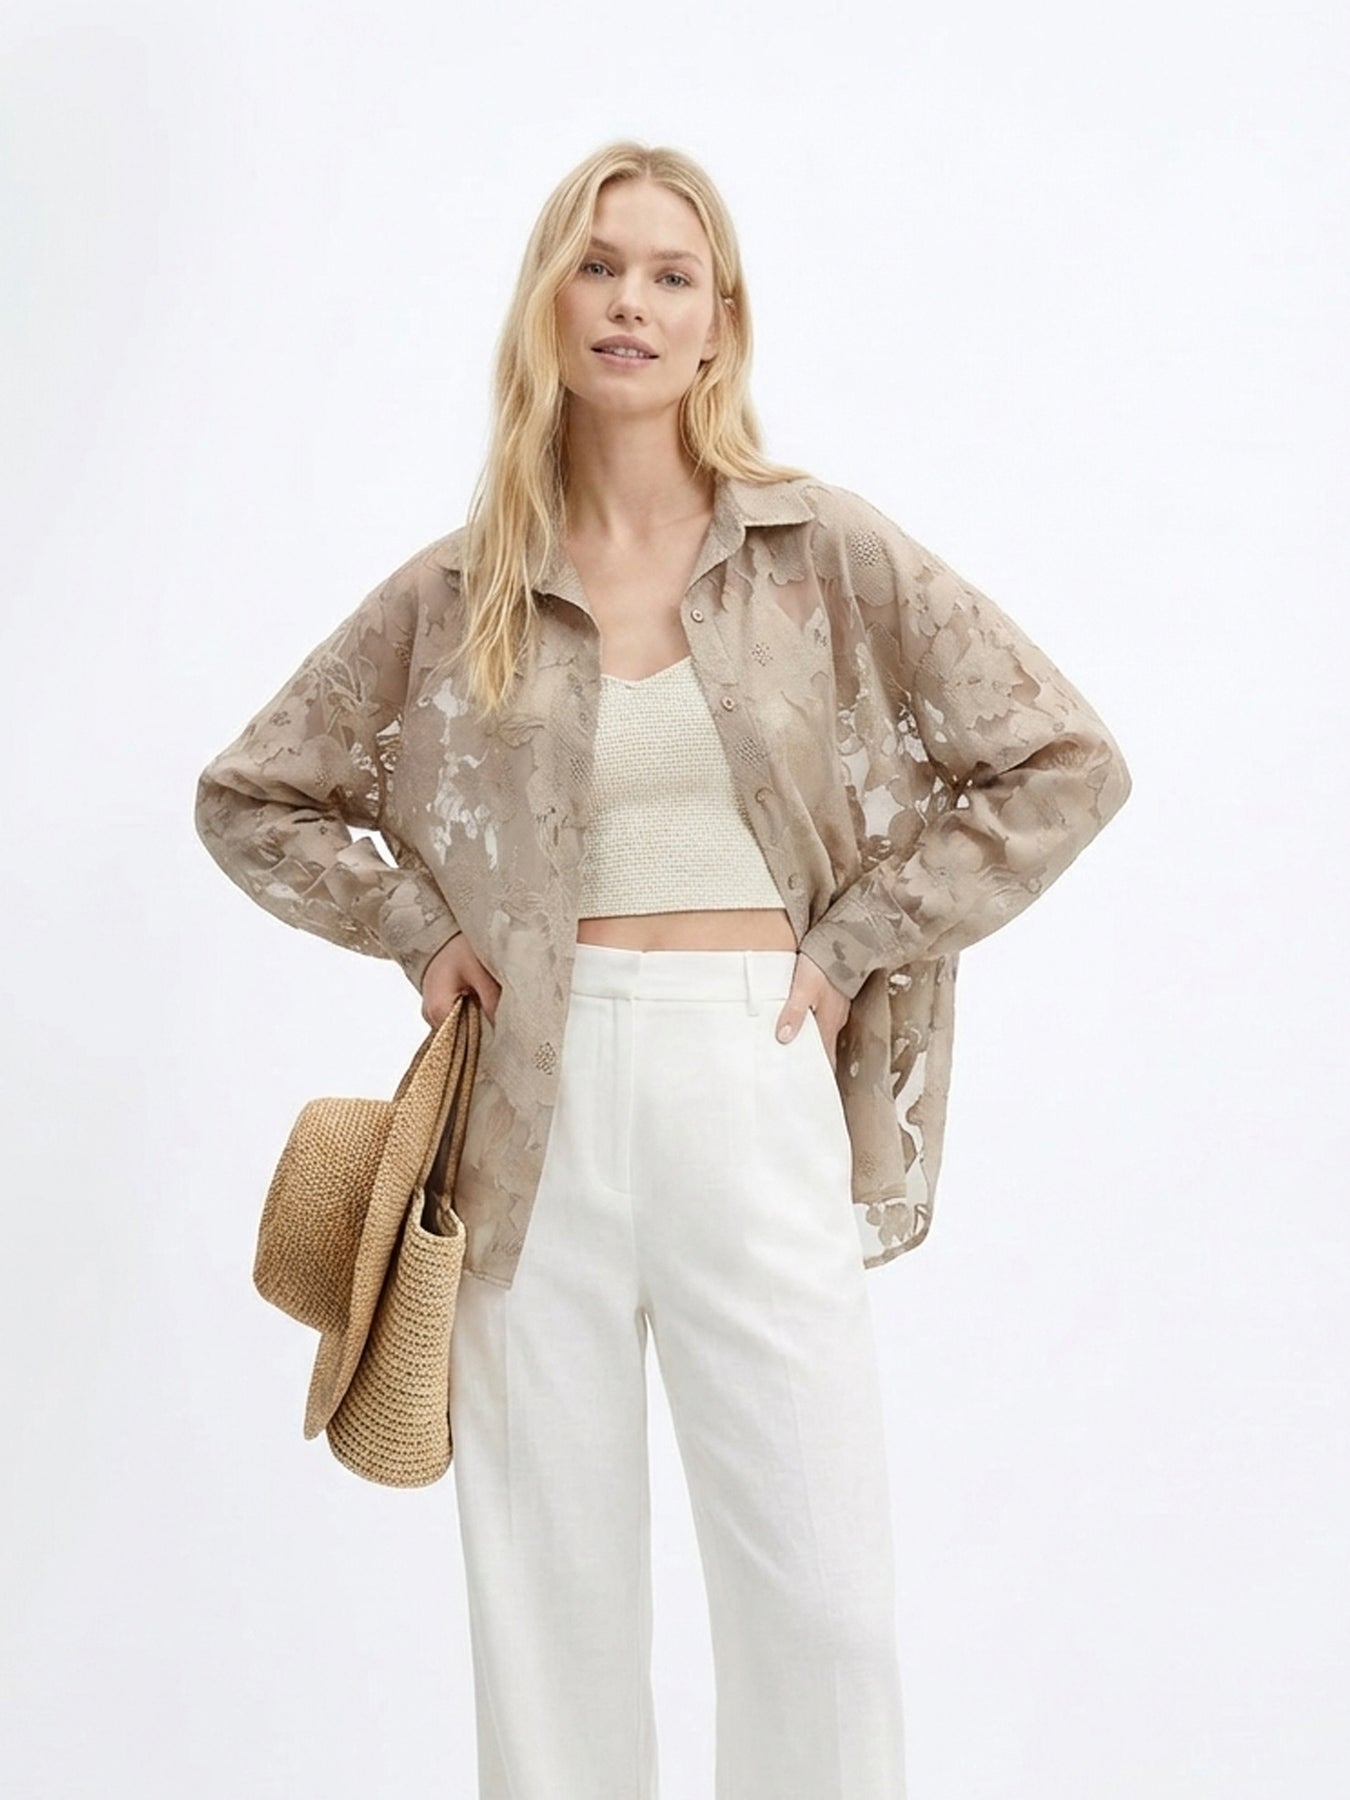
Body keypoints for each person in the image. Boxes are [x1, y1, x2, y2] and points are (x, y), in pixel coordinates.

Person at [195, 139, 1131, 1800]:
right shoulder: (463, 588)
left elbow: (1059, 761)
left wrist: (849, 944)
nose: (630, 300)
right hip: (526, 1117)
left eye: (669, 274)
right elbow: (254, 795)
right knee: (547, 1614)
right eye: (597, 265)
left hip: (745, 1075)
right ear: (547, 305)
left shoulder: (813, 551)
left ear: (718, 323)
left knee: (821, 1608)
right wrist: (421, 932)